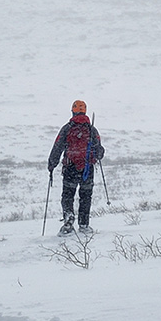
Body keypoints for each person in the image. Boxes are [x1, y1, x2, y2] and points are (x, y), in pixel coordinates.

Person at [47, 100, 105, 236]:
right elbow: (100, 152)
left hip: (70, 168)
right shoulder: (92, 130)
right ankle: (84, 225)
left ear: (73, 111)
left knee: (68, 196)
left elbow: (57, 147)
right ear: (85, 112)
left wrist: (51, 165)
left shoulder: (67, 128)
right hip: (87, 169)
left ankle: (68, 221)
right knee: (85, 196)